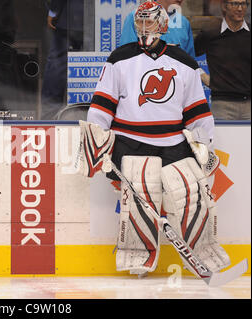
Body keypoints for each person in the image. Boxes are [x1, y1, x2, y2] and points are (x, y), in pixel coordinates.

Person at [77, 1, 230, 277]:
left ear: (161, 25)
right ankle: (138, 261)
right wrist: (98, 150)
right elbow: (101, 108)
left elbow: (197, 112)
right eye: (140, 22)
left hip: (173, 144)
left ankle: (204, 255)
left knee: (192, 197)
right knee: (138, 206)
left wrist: (206, 147)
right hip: (130, 144)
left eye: (149, 22)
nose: (144, 27)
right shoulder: (119, 58)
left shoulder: (184, 62)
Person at [194, 0, 251, 120]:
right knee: (223, 139)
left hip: (249, 104)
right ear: (224, 6)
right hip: (222, 104)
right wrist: (202, 75)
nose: (240, 8)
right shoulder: (210, 34)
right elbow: (188, 55)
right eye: (235, 4)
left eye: (244, 4)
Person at [41, 0, 83, 120]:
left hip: (69, 15)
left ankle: (49, 117)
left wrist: (54, 11)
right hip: (102, 16)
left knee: (57, 66)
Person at [120, 0, 196, 57]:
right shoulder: (137, 17)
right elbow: (126, 54)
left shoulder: (184, 22)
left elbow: (190, 60)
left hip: (176, 76)